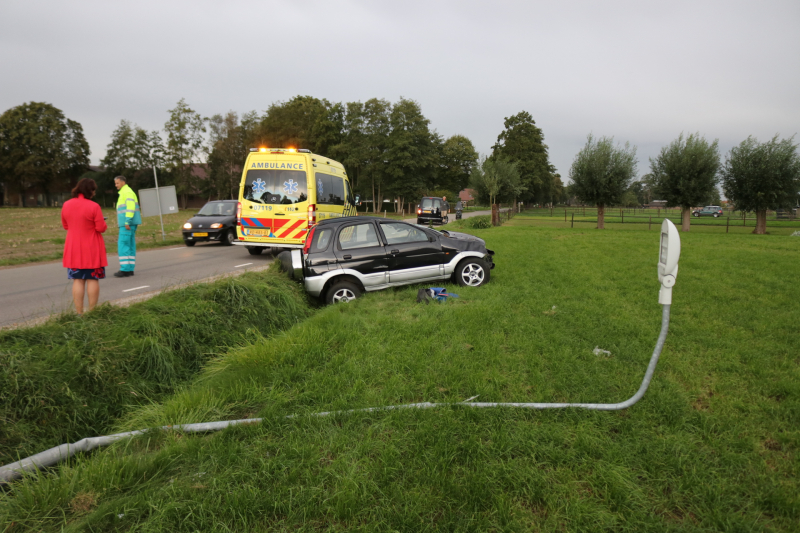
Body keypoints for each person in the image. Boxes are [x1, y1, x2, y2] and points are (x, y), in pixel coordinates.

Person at [61, 178, 107, 315]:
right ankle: (92, 312)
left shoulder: (66, 205)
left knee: (78, 280)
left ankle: (79, 313)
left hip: (73, 247)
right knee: (92, 279)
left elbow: (65, 225)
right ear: (90, 191)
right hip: (92, 247)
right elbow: (100, 228)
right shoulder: (94, 206)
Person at [113, 175, 142, 277]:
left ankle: (125, 270)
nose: (116, 185)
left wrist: (127, 222)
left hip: (126, 224)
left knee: (123, 245)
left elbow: (130, 208)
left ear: (123, 182)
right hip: (130, 224)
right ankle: (130, 269)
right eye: (115, 183)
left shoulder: (126, 192)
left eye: (117, 183)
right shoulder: (126, 192)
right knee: (129, 245)